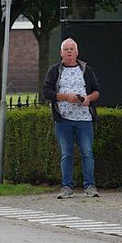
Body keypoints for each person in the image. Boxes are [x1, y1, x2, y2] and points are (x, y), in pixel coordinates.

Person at [41, 37, 100, 198]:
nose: (68, 52)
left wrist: (88, 98)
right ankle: (67, 187)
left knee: (87, 152)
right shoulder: (54, 71)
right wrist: (65, 97)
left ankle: (90, 186)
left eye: (71, 49)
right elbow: (46, 92)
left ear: (77, 52)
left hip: (84, 120)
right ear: (61, 53)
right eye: (66, 49)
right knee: (66, 153)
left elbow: (96, 91)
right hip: (63, 119)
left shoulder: (86, 70)